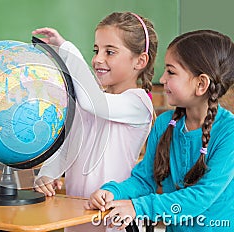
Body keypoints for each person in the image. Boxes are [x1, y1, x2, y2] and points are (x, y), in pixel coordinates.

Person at [86, 30, 234, 232]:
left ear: (201, 84)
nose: (162, 78)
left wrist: (138, 208)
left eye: (171, 72)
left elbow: (201, 197)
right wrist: (113, 192)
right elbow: (145, 179)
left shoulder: (229, 132)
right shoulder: (165, 124)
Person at [32, 11, 157, 231]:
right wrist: (47, 174)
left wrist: (68, 52)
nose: (98, 59)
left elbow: (95, 103)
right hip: (78, 217)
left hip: (113, 220)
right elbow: (69, 147)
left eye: (110, 52)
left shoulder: (138, 104)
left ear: (140, 61)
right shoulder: (91, 103)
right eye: (96, 50)